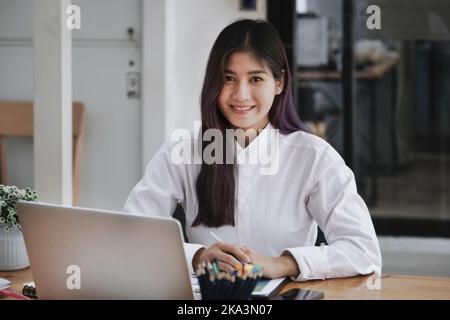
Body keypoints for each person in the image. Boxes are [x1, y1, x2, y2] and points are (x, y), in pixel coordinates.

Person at [122, 19, 381, 281]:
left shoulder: (314, 157)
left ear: (279, 82)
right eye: (228, 78)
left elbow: (363, 250)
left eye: (256, 78)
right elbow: (130, 236)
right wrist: (197, 257)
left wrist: (283, 263)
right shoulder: (181, 152)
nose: (241, 95)